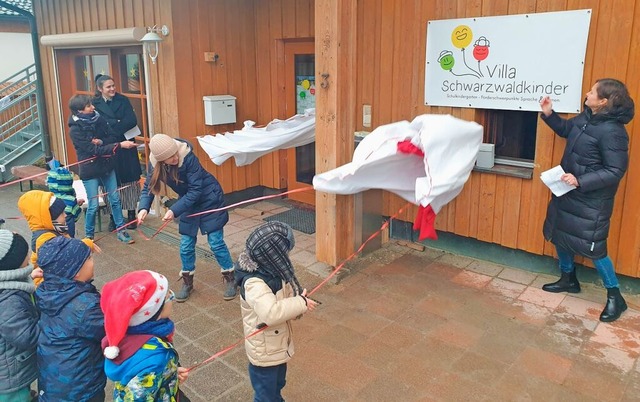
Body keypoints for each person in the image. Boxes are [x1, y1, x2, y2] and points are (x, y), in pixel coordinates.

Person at [539, 78, 635, 322]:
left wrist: (581, 180)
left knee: (594, 247)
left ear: (603, 101)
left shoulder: (613, 132)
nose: (587, 93)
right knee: (561, 233)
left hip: (592, 199)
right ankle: (568, 278)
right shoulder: (586, 118)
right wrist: (549, 114)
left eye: (592, 91)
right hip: (568, 190)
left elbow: (615, 171)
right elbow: (566, 129)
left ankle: (615, 296)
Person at [137, 133, 235, 302]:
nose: (175, 157)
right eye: (170, 157)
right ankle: (187, 282)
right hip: (188, 202)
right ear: (161, 160)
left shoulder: (188, 157)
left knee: (215, 242)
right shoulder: (155, 165)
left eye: (175, 153)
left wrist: (174, 210)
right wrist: (143, 207)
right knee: (186, 245)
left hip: (209, 198)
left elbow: (196, 190)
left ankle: (231, 278)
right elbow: (148, 186)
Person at [234, 221, 318, 402]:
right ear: (272, 255)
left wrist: (298, 303)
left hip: (276, 345)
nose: (286, 256)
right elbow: (271, 313)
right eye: (284, 252)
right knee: (265, 394)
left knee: (278, 383)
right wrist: (299, 303)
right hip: (264, 352)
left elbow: (283, 303)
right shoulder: (254, 283)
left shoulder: (272, 270)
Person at [35, 236, 106, 402]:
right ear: (75, 272)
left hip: (52, 381)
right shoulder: (85, 307)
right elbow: (110, 329)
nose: (92, 261)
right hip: (81, 389)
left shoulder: (48, 289)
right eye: (89, 258)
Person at [101, 270, 190, 401]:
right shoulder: (155, 358)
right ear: (154, 312)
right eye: (167, 296)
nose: (172, 296)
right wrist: (160, 368)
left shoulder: (126, 336)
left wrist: (169, 373)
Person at [67, 94, 136, 243]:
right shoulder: (75, 130)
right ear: (79, 111)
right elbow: (92, 150)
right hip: (90, 170)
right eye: (88, 106)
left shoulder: (99, 118)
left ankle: (121, 231)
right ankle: (89, 237)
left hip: (107, 166)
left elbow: (112, 136)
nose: (93, 107)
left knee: (115, 200)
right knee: (92, 205)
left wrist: (102, 141)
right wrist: (119, 146)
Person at [17, 189, 97, 286]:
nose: (65, 215)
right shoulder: (44, 238)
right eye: (62, 213)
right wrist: (86, 244)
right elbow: (65, 254)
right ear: (49, 218)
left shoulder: (55, 230)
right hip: (49, 285)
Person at [94, 74, 142, 231]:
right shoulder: (95, 103)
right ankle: (114, 217)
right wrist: (117, 124)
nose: (112, 89)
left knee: (129, 180)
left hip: (126, 146)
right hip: (109, 148)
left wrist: (112, 127)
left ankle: (131, 214)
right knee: (110, 182)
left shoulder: (123, 100)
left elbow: (131, 121)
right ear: (100, 89)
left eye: (113, 85)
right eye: (108, 87)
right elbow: (98, 125)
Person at [0, 231, 40, 401]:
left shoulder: (7, 284)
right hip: (9, 378)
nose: (30, 254)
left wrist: (30, 275)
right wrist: (53, 324)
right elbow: (27, 336)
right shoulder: (9, 300)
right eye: (26, 252)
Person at [46, 161, 83, 238]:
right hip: (68, 235)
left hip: (52, 235)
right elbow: (76, 215)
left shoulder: (48, 200)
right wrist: (77, 204)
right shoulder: (71, 200)